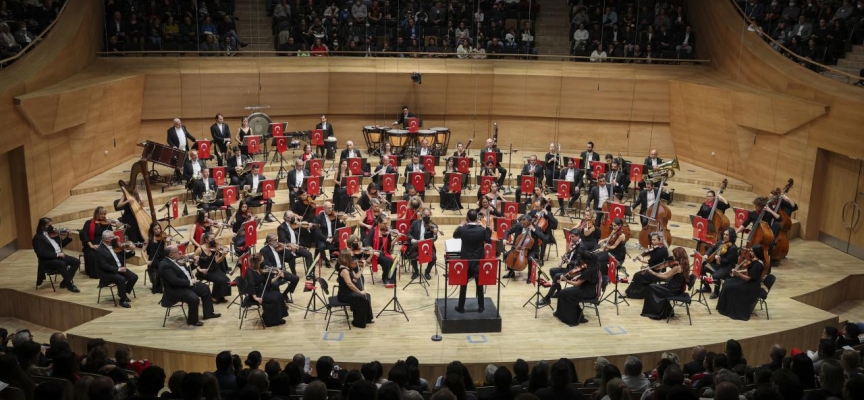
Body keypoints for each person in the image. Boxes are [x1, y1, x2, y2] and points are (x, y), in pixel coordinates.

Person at [159, 245, 221, 326]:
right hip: (176, 290)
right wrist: (189, 282)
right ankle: (192, 321)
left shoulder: (177, 260)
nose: (180, 252)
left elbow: (186, 271)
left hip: (186, 285)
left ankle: (208, 313)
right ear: (170, 255)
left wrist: (195, 263)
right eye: (177, 251)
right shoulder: (165, 266)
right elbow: (173, 281)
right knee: (194, 298)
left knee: (205, 288)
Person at [453, 209, 493, 313]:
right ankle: (481, 307)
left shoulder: (463, 229)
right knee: (479, 284)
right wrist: (484, 227)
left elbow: (455, 235)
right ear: (476, 218)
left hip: (465, 260)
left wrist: (461, 225)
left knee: (463, 284)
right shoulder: (481, 230)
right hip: (477, 260)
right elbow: (489, 240)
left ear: (467, 218)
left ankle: (461, 307)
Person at [554, 250, 603, 326]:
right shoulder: (594, 267)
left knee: (564, 293)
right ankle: (561, 314)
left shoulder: (588, 271)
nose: (580, 261)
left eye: (582, 260)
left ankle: (571, 319)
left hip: (587, 292)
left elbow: (577, 283)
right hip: (589, 290)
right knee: (563, 292)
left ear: (586, 260)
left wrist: (566, 280)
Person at [32, 217, 80, 292]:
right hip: (47, 260)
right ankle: (69, 285)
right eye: (48, 225)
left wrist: (68, 237)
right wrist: (57, 255)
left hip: (58, 256)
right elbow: (42, 253)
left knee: (76, 261)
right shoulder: (38, 238)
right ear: (42, 226)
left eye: (51, 225)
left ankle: (64, 282)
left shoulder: (52, 233)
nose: (51, 227)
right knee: (62, 264)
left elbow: (61, 245)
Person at [640, 246, 689, 320]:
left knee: (651, 287)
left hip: (672, 290)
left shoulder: (678, 267)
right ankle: (664, 310)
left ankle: (656, 312)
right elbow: (671, 275)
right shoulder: (684, 264)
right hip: (676, 288)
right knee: (654, 287)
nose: (673, 257)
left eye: (674, 256)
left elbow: (665, 276)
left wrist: (652, 272)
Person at [716, 250, 765, 321]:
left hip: (752, 286)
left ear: (756, 253)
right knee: (727, 282)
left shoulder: (758, 265)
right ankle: (724, 307)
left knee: (730, 287)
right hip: (749, 282)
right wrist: (738, 271)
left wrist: (738, 274)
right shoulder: (755, 261)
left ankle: (730, 308)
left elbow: (748, 278)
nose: (750, 252)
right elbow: (749, 270)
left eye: (752, 251)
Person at [96, 230, 139, 308]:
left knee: (134, 277)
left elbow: (126, 256)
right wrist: (118, 269)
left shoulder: (116, 245)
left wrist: (132, 250)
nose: (115, 237)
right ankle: (122, 300)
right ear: (106, 239)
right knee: (121, 279)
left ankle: (122, 292)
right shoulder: (100, 250)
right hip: (108, 273)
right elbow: (104, 266)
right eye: (112, 237)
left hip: (120, 269)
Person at [502, 215, 550, 283]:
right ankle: (511, 272)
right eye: (522, 223)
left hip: (531, 249)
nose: (522, 224)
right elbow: (508, 231)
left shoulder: (536, 228)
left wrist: (533, 229)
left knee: (530, 259)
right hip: (518, 248)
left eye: (524, 224)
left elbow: (544, 238)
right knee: (506, 255)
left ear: (530, 222)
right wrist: (505, 239)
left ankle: (530, 276)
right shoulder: (519, 225)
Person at [246, 253, 289, 327]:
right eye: (261, 261)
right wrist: (255, 297)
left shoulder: (259, 269)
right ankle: (269, 321)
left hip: (264, 290)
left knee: (278, 295)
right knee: (274, 299)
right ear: (257, 262)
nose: (263, 262)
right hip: (257, 294)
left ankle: (277, 318)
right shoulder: (250, 272)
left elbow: (268, 282)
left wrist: (278, 276)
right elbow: (251, 286)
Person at [624, 232, 669, 299]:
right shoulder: (661, 248)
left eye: (654, 240)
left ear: (660, 240)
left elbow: (650, 262)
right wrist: (641, 260)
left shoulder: (660, 251)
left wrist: (644, 264)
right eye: (652, 240)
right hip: (655, 268)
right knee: (639, 275)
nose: (652, 241)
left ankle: (628, 292)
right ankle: (635, 292)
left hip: (657, 272)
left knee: (637, 275)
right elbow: (652, 262)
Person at [336, 252, 374, 328]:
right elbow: (349, 284)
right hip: (345, 295)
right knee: (362, 300)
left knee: (367, 296)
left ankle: (367, 319)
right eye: (350, 257)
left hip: (349, 292)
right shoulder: (344, 270)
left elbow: (356, 277)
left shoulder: (348, 268)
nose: (352, 259)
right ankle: (358, 323)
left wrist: (362, 268)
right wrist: (360, 292)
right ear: (346, 259)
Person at [259, 233, 301, 301]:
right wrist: (277, 270)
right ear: (269, 241)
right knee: (275, 284)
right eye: (275, 240)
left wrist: (293, 251)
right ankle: (279, 300)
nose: (277, 242)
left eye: (277, 240)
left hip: (281, 271)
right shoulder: (264, 250)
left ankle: (284, 295)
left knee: (295, 278)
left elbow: (288, 259)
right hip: (272, 273)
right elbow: (266, 264)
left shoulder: (279, 248)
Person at [193, 232, 232, 303]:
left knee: (226, 279)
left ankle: (220, 296)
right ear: (206, 240)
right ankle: (214, 297)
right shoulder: (199, 249)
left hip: (214, 269)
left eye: (214, 238)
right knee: (219, 280)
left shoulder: (215, 248)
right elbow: (195, 263)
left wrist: (223, 255)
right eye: (212, 239)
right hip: (204, 271)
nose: (214, 240)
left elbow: (217, 261)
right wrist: (200, 270)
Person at [277, 212, 314, 279]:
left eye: (293, 216)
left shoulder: (295, 225)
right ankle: (294, 274)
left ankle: (309, 273)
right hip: (288, 248)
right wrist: (291, 245)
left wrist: (308, 228)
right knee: (292, 256)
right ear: (286, 218)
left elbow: (302, 234)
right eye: (291, 217)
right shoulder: (281, 227)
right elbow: (282, 239)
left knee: (308, 254)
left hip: (297, 246)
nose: (294, 218)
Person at [80, 206, 115, 278]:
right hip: (91, 244)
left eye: (104, 214)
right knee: (93, 255)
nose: (103, 216)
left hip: (104, 244)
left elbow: (111, 234)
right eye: (101, 214)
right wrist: (91, 245)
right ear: (96, 214)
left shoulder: (106, 223)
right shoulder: (88, 223)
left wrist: (116, 226)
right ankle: (95, 274)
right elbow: (84, 235)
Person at [704, 228, 739, 299]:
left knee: (715, 276)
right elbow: (712, 248)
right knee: (703, 267)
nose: (725, 236)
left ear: (731, 236)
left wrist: (720, 258)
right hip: (718, 265)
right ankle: (707, 287)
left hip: (726, 268)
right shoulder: (720, 242)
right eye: (724, 234)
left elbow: (727, 260)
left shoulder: (733, 248)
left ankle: (716, 292)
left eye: (727, 235)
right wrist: (706, 254)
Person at [364, 214, 396, 287]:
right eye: (384, 223)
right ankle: (386, 279)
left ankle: (389, 279)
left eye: (387, 223)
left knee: (392, 260)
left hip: (384, 253)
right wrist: (373, 251)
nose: (386, 225)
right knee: (388, 261)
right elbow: (367, 242)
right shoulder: (373, 230)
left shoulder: (387, 232)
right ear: (379, 223)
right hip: (374, 254)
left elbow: (389, 246)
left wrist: (396, 237)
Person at [408, 208, 438, 281]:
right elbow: (408, 233)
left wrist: (435, 234)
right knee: (412, 256)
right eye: (425, 214)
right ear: (421, 215)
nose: (426, 216)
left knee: (433, 257)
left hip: (427, 247)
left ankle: (427, 272)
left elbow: (435, 239)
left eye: (428, 215)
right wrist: (412, 239)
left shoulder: (433, 225)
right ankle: (416, 271)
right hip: (417, 245)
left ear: (430, 215)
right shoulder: (415, 223)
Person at [315, 201, 346, 268]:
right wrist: (326, 239)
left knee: (344, 243)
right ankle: (326, 259)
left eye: (331, 208)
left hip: (333, 237)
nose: (330, 210)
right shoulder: (319, 218)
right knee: (321, 247)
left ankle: (340, 261)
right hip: (323, 238)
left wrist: (343, 221)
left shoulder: (334, 216)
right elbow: (318, 233)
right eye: (328, 208)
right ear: (324, 208)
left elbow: (339, 227)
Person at [143, 222, 167, 294]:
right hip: (152, 260)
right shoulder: (148, 239)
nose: (158, 230)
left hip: (162, 259)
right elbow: (142, 251)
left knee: (161, 265)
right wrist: (146, 261)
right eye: (155, 229)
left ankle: (161, 285)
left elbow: (166, 250)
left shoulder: (163, 238)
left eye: (159, 228)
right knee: (156, 265)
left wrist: (167, 242)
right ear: (152, 230)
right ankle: (157, 285)